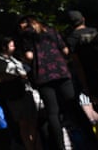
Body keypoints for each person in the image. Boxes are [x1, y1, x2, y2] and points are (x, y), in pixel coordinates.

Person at [17, 15, 98, 150]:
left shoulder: (26, 36)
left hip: (43, 76)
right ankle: (91, 139)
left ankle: (61, 146)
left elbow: (29, 56)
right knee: (74, 106)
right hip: (61, 72)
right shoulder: (51, 31)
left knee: (52, 112)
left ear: (26, 24)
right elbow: (65, 50)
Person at [0, 37, 42, 150]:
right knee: (23, 123)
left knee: (33, 121)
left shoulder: (16, 59)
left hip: (26, 92)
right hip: (15, 96)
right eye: (11, 46)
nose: (13, 48)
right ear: (4, 47)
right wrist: (19, 76)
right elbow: (3, 76)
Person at [65, 10, 98, 102]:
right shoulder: (95, 32)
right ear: (83, 19)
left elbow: (78, 65)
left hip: (91, 77)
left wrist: (85, 86)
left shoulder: (71, 39)